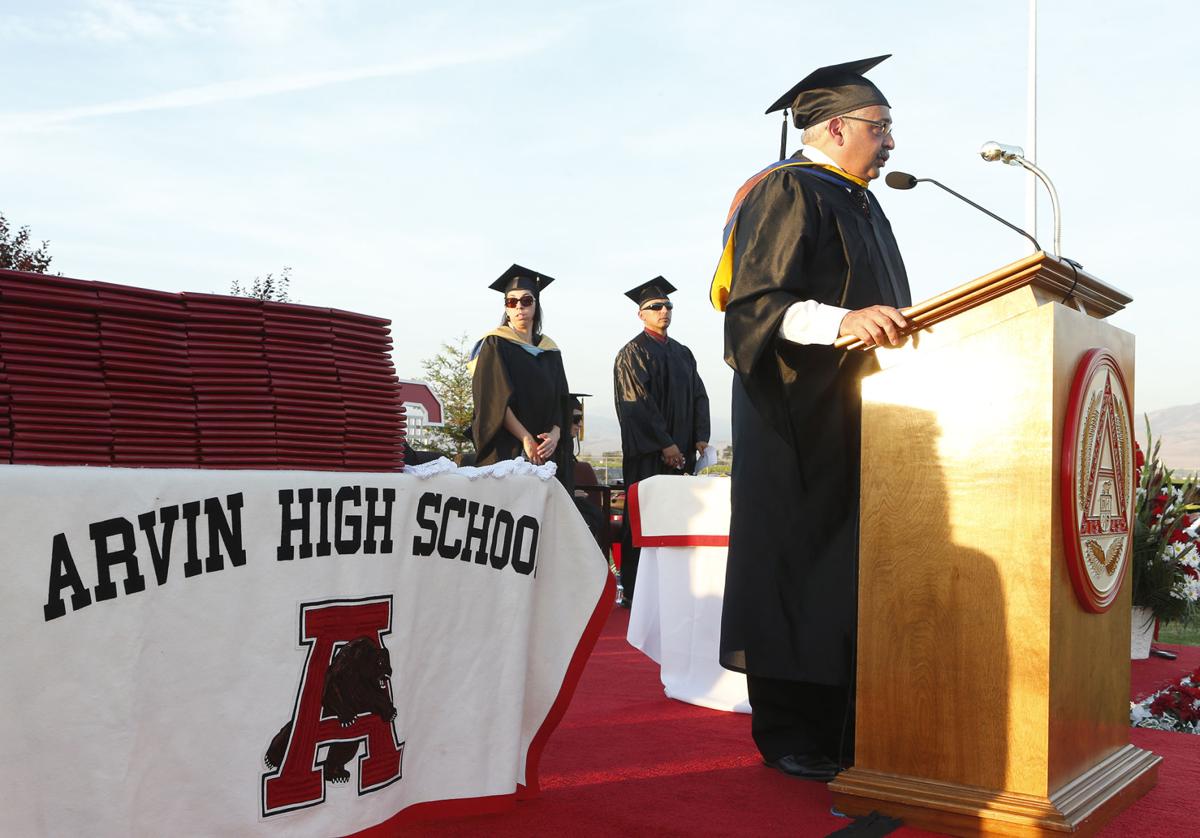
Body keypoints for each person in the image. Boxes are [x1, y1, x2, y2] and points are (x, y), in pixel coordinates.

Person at [713, 56, 912, 782]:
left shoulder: (862, 199)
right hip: (795, 417)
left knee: (848, 578)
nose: (890, 142)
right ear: (836, 126)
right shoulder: (789, 189)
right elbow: (758, 309)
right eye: (879, 127)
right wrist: (848, 322)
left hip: (859, 416)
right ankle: (793, 732)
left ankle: (848, 725)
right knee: (796, 568)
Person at [614, 276, 710, 605]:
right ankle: (636, 589)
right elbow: (637, 405)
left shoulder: (683, 354)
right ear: (641, 314)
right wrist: (664, 444)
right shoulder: (632, 354)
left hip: (682, 453)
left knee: (678, 519)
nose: (663, 311)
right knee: (644, 519)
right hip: (648, 456)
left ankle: (674, 587)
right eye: (655, 307)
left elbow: (699, 395)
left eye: (667, 306)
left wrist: (700, 437)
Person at [469, 264, 573, 493]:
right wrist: (525, 438)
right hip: (509, 448)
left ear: (536, 305)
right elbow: (493, 400)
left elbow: (562, 400)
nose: (519, 307)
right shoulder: (495, 343)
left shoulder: (550, 350)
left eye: (526, 300)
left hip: (547, 451)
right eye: (511, 301)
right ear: (506, 308)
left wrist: (555, 435)